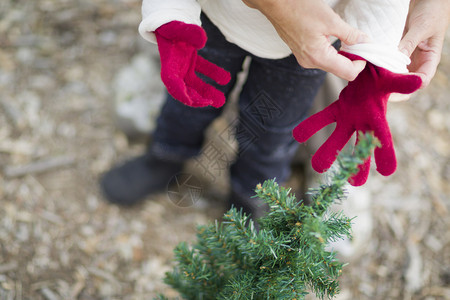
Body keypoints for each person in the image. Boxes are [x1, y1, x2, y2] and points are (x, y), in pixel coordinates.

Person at [100, 0, 449, 217]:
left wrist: (375, 64)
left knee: (272, 129)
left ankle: (250, 198)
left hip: (310, 46)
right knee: (190, 99)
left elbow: (382, 5)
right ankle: (165, 156)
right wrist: (171, 13)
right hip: (216, 17)